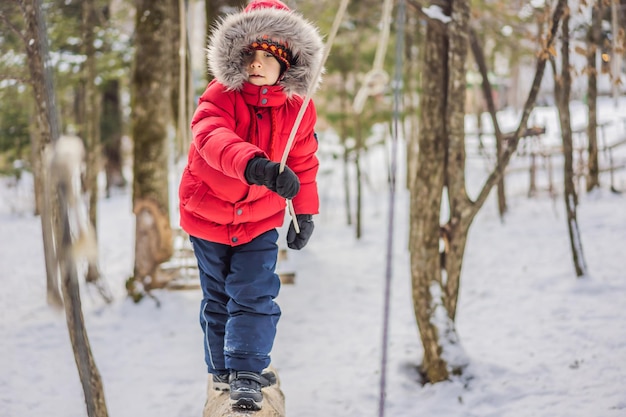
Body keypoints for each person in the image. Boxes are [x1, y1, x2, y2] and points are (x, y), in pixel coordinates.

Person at [178, 0, 323, 411]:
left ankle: (245, 372)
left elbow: (303, 160)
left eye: (269, 56)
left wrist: (305, 211)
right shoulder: (221, 95)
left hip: (260, 218)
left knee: (254, 292)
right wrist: (254, 165)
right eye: (250, 55)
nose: (257, 64)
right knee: (219, 296)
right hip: (208, 215)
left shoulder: (298, 109)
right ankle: (221, 371)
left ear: (289, 63)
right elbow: (210, 138)